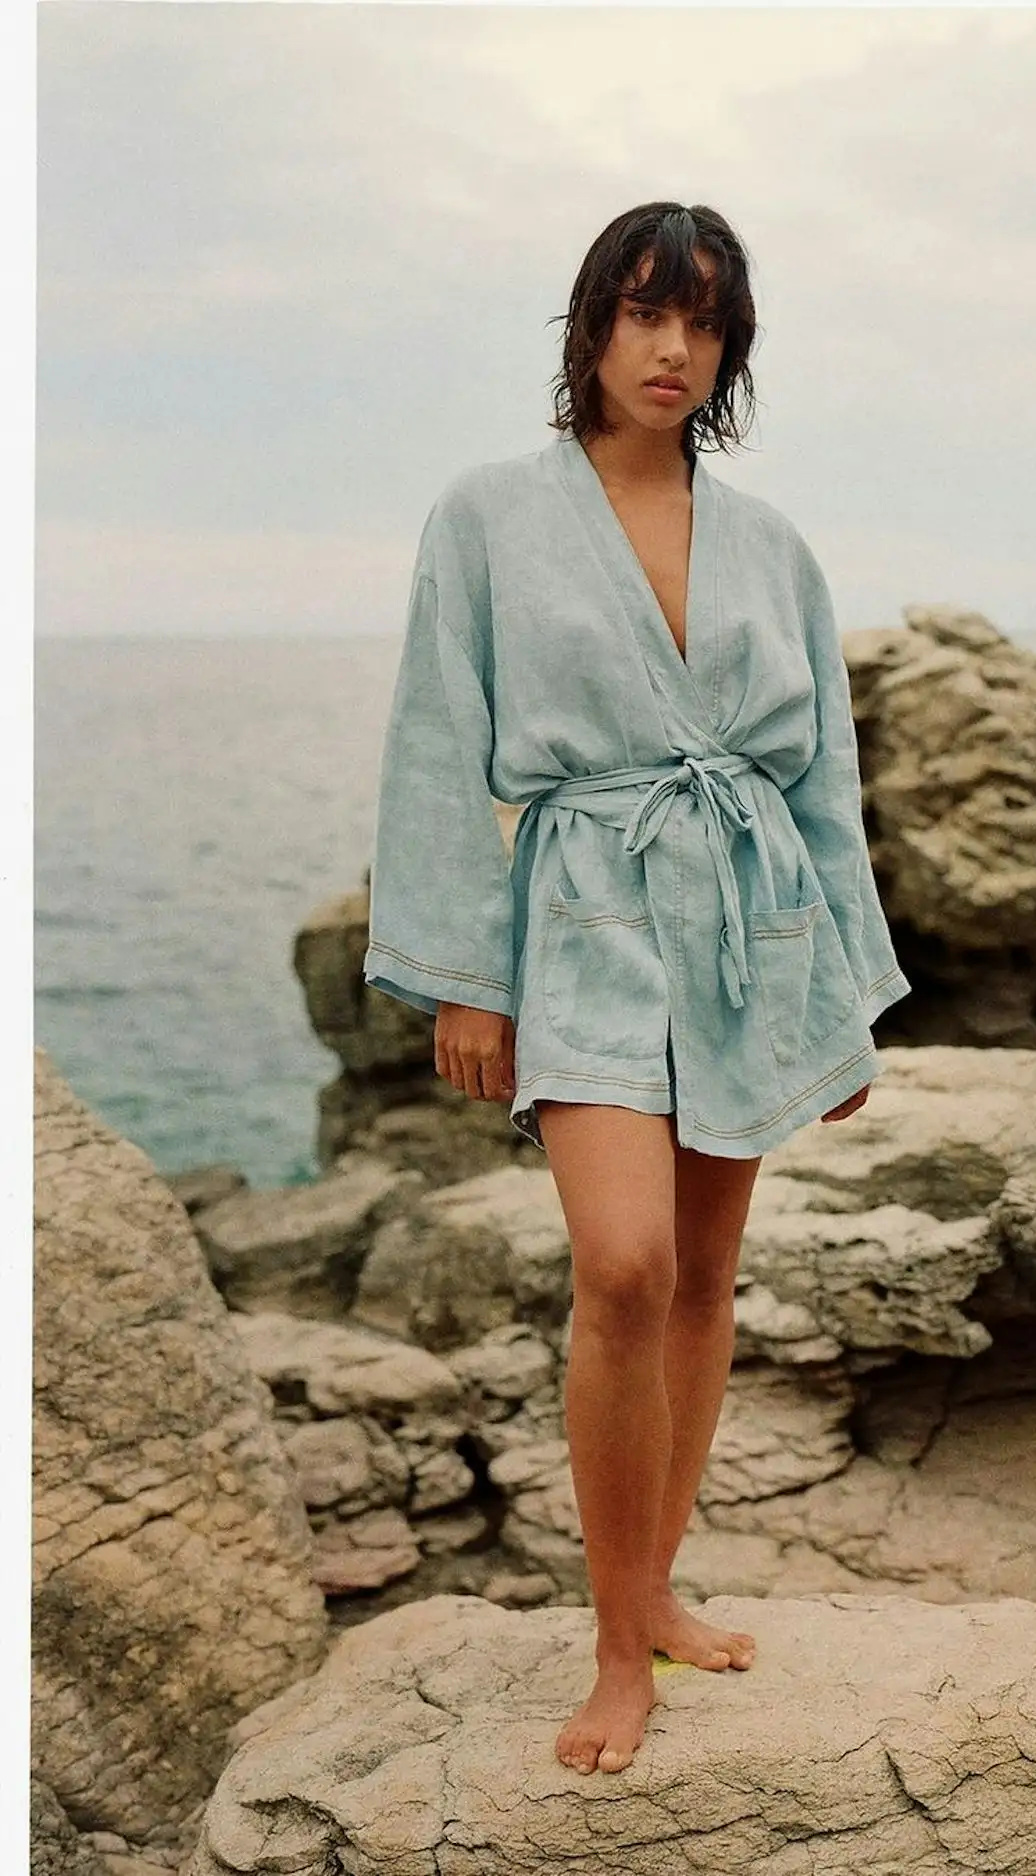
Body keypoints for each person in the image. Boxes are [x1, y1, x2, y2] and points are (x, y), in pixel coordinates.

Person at [362, 201, 912, 1777]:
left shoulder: (772, 547)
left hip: (749, 922)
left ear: (730, 348)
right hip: (585, 912)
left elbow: (820, 780)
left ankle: (656, 1587)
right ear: (592, 325)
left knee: (704, 1273)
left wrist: (844, 995)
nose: (675, 347)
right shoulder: (487, 516)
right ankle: (616, 1649)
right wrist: (468, 978)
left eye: (707, 320)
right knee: (622, 1265)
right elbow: (436, 740)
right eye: (647, 312)